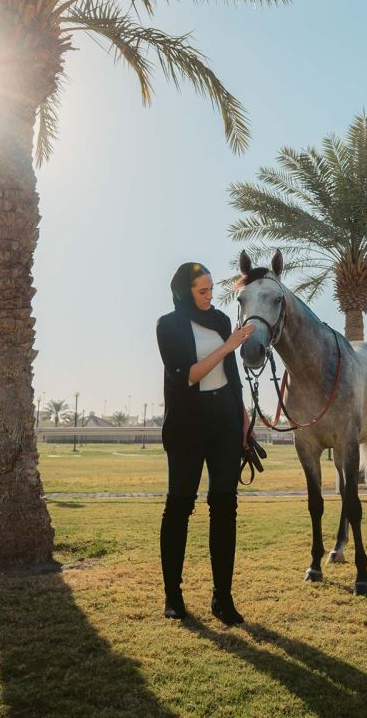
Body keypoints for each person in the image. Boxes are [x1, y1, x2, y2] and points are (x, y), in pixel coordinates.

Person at [156, 262, 255, 624]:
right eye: (202, 290)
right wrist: (228, 346)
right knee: (179, 507)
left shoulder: (221, 321)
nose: (210, 296)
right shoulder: (168, 325)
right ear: (185, 291)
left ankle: (222, 599)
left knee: (225, 507)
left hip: (225, 418)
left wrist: (243, 416)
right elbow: (187, 376)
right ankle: (173, 596)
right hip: (187, 424)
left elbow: (231, 375)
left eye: (212, 289)